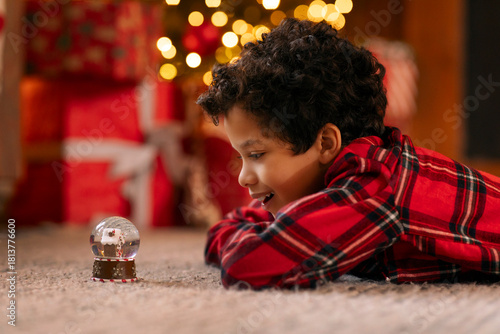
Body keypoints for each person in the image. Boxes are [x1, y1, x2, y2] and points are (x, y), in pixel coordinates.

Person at [196, 18, 500, 289]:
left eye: (257, 155)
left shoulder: (374, 186)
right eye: (241, 157)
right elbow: (226, 229)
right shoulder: (329, 182)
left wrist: (251, 236)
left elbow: (247, 265)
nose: (242, 178)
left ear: (326, 143)